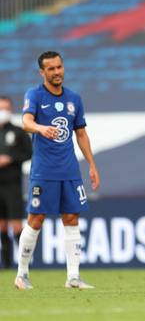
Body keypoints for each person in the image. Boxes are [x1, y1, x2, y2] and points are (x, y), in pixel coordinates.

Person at [15, 51, 100, 290]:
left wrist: (92, 165)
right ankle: (22, 274)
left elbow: (81, 133)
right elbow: (25, 121)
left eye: (59, 67)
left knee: (72, 218)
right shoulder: (35, 95)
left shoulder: (74, 98)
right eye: (51, 69)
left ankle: (73, 276)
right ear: (42, 72)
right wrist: (40, 129)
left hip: (70, 170)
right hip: (44, 170)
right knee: (36, 218)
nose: (57, 72)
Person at [0, 96, 32, 268]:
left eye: (5, 108)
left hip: (13, 185)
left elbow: (29, 153)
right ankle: (6, 265)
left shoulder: (18, 132)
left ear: (10, 110)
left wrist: (10, 158)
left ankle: (24, 264)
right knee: (2, 226)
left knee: (16, 225)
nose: (2, 112)